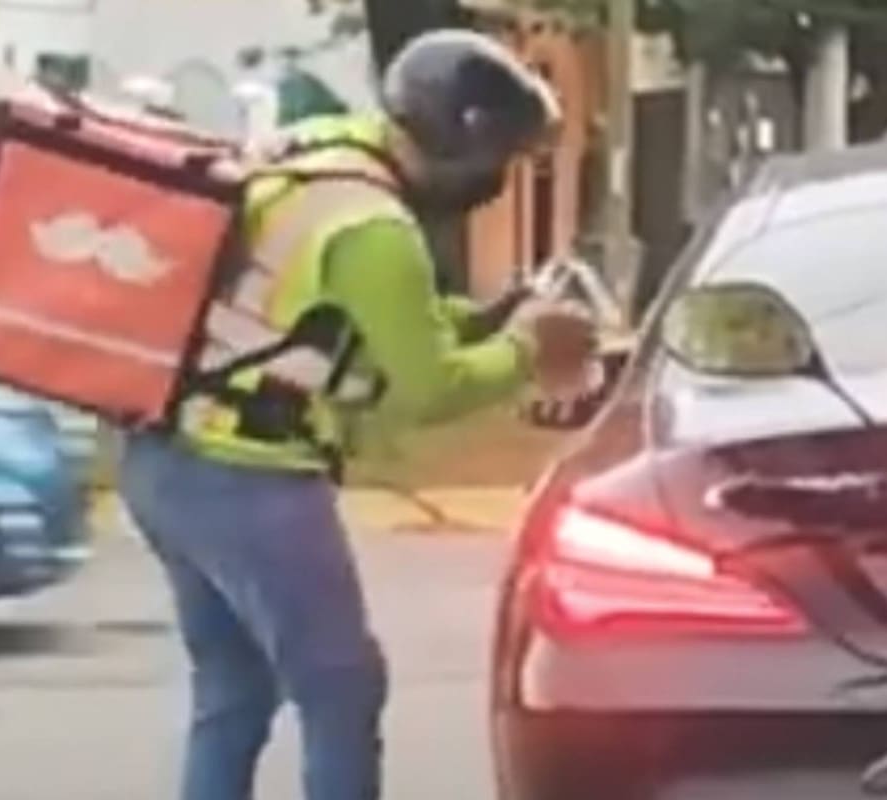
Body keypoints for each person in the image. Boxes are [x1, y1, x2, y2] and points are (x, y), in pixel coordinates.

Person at [120, 29, 596, 800]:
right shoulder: (377, 230)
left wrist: (486, 317)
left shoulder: (326, 152)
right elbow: (428, 388)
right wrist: (526, 349)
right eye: (500, 160)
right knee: (342, 689)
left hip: (165, 454)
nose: (499, 181)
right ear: (462, 139)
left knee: (234, 691)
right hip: (249, 478)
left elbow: (338, 314)